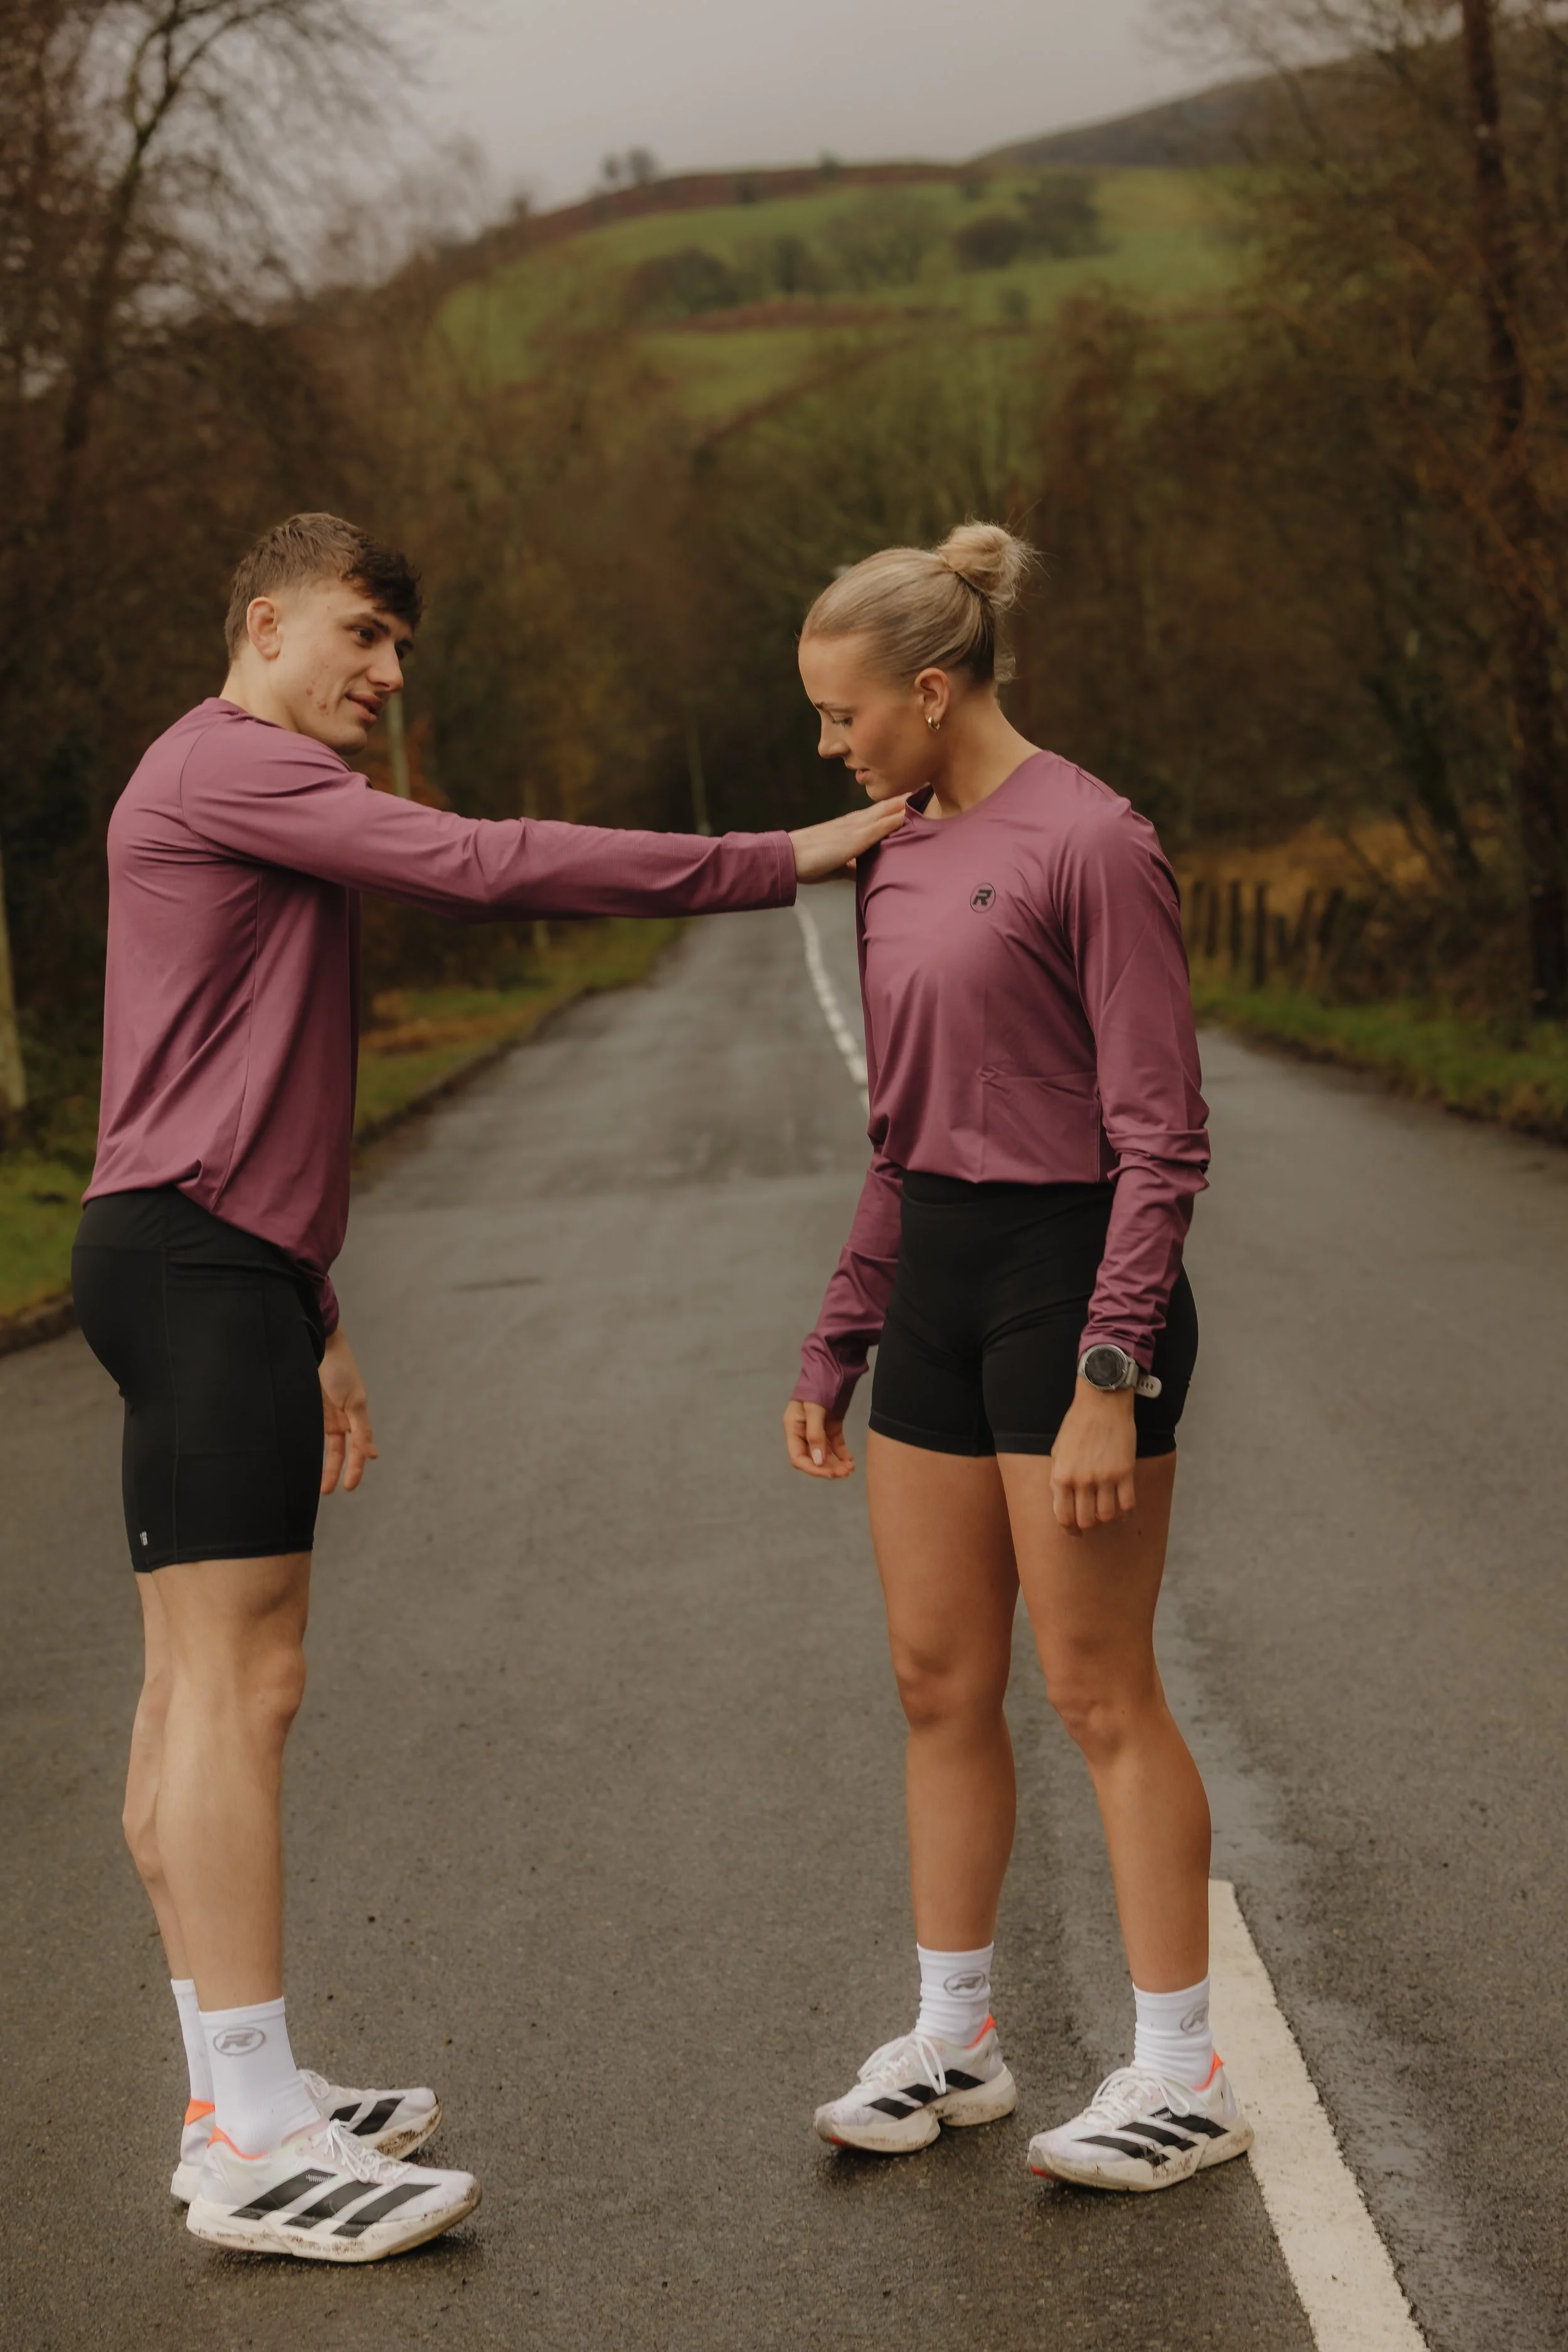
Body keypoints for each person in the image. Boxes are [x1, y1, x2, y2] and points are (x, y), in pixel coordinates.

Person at [72, 511, 903, 2264]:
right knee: (240, 1684)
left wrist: (312, 1299)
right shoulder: (231, 765)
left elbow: (224, 1074)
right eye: (363, 637)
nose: (383, 676)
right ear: (269, 619)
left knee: (198, 1687)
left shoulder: (225, 784)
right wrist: (790, 853)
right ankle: (250, 2122)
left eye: (399, 651)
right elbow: (484, 861)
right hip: (194, 1257)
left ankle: (236, 2089)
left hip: (209, 1254)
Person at [781, 522, 1253, 2193]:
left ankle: (1181, 2067)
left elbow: (1161, 1134)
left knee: (1096, 1687)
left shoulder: (1091, 839)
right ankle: (956, 2035)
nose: (830, 748)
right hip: (936, 1283)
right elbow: (896, 1128)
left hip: (1071, 1280)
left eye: (842, 716)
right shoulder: (888, 854)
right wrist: (841, 1329)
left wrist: (1110, 1363)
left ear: (928, 687)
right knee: (933, 1679)